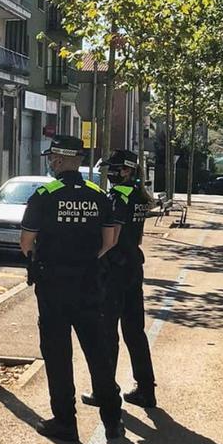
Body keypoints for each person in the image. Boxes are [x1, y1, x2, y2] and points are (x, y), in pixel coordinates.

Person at [20, 135, 125, 441]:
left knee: (58, 354)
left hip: (53, 285)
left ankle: (65, 422)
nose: (51, 162)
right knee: (97, 351)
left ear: (58, 159)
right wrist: (87, 260)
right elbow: (110, 241)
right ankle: (113, 420)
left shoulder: (44, 194)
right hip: (90, 283)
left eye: (52, 157)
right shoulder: (98, 194)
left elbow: (26, 243)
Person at [83, 149, 157, 409]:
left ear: (126, 170)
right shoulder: (140, 196)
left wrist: (92, 259)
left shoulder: (117, 198)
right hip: (134, 267)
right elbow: (136, 237)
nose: (110, 173)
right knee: (135, 331)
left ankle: (105, 390)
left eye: (114, 168)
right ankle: (146, 389)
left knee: (107, 333)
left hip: (114, 270)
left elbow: (110, 238)